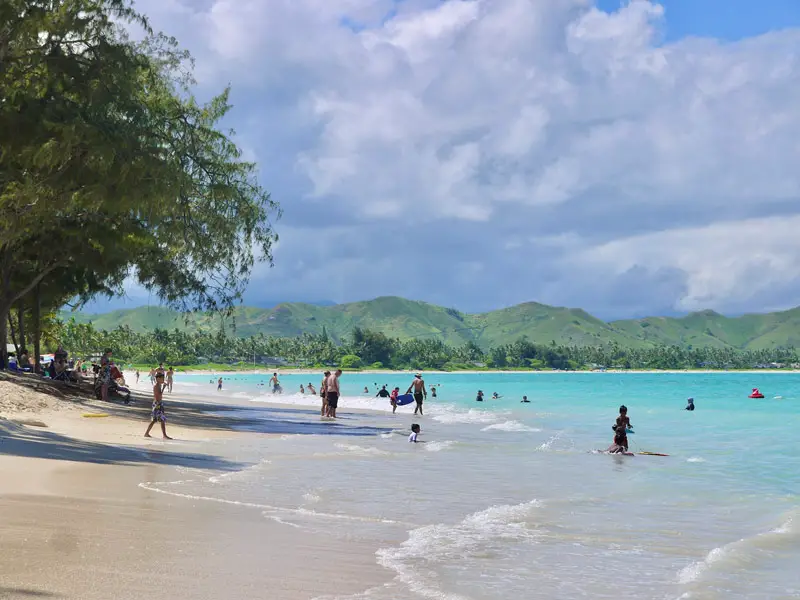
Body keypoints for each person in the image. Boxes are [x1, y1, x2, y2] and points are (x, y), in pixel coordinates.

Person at [145, 372, 172, 439]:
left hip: (158, 404)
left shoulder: (158, 385)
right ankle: (163, 435)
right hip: (157, 404)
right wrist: (164, 388)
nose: (163, 380)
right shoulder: (156, 386)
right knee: (157, 420)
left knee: (159, 420)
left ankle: (148, 433)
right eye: (162, 378)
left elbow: (159, 395)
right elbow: (158, 396)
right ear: (158, 379)